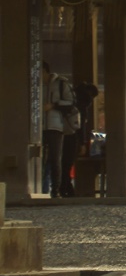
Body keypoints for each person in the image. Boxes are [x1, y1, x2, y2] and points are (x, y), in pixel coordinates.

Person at [41, 66, 73, 197]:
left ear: (45, 71)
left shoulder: (60, 83)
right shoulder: (34, 84)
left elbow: (71, 102)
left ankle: (55, 190)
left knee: (55, 159)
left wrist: (54, 105)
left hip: (56, 125)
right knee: (39, 158)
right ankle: (41, 189)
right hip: (38, 127)